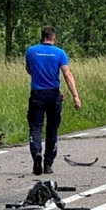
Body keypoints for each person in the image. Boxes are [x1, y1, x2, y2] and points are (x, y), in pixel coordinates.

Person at [25, 25, 81, 175]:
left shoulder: (30, 51)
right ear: (53, 38)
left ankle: (36, 152)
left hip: (37, 94)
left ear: (42, 36)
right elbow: (67, 74)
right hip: (54, 95)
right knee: (52, 129)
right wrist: (75, 96)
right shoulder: (60, 53)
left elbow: (29, 70)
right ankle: (48, 163)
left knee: (35, 127)